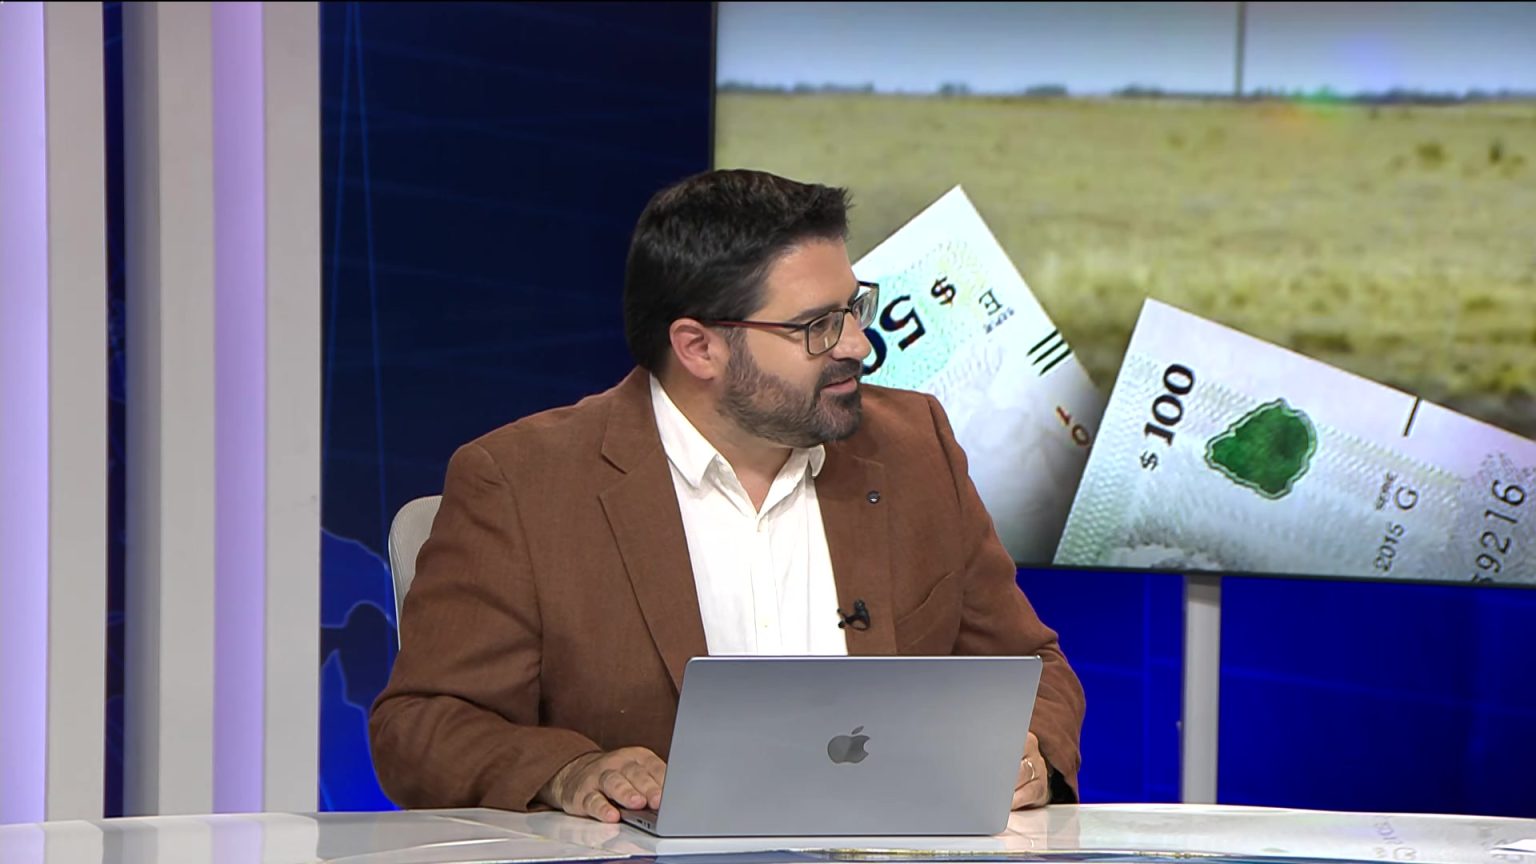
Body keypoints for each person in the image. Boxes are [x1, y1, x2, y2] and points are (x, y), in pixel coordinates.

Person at [369, 169, 1086, 823]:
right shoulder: (524, 484)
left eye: (854, 307)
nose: (858, 345)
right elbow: (422, 724)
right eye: (817, 326)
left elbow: (1036, 670)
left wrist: (1028, 755)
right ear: (698, 348)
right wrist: (570, 771)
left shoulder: (913, 448)